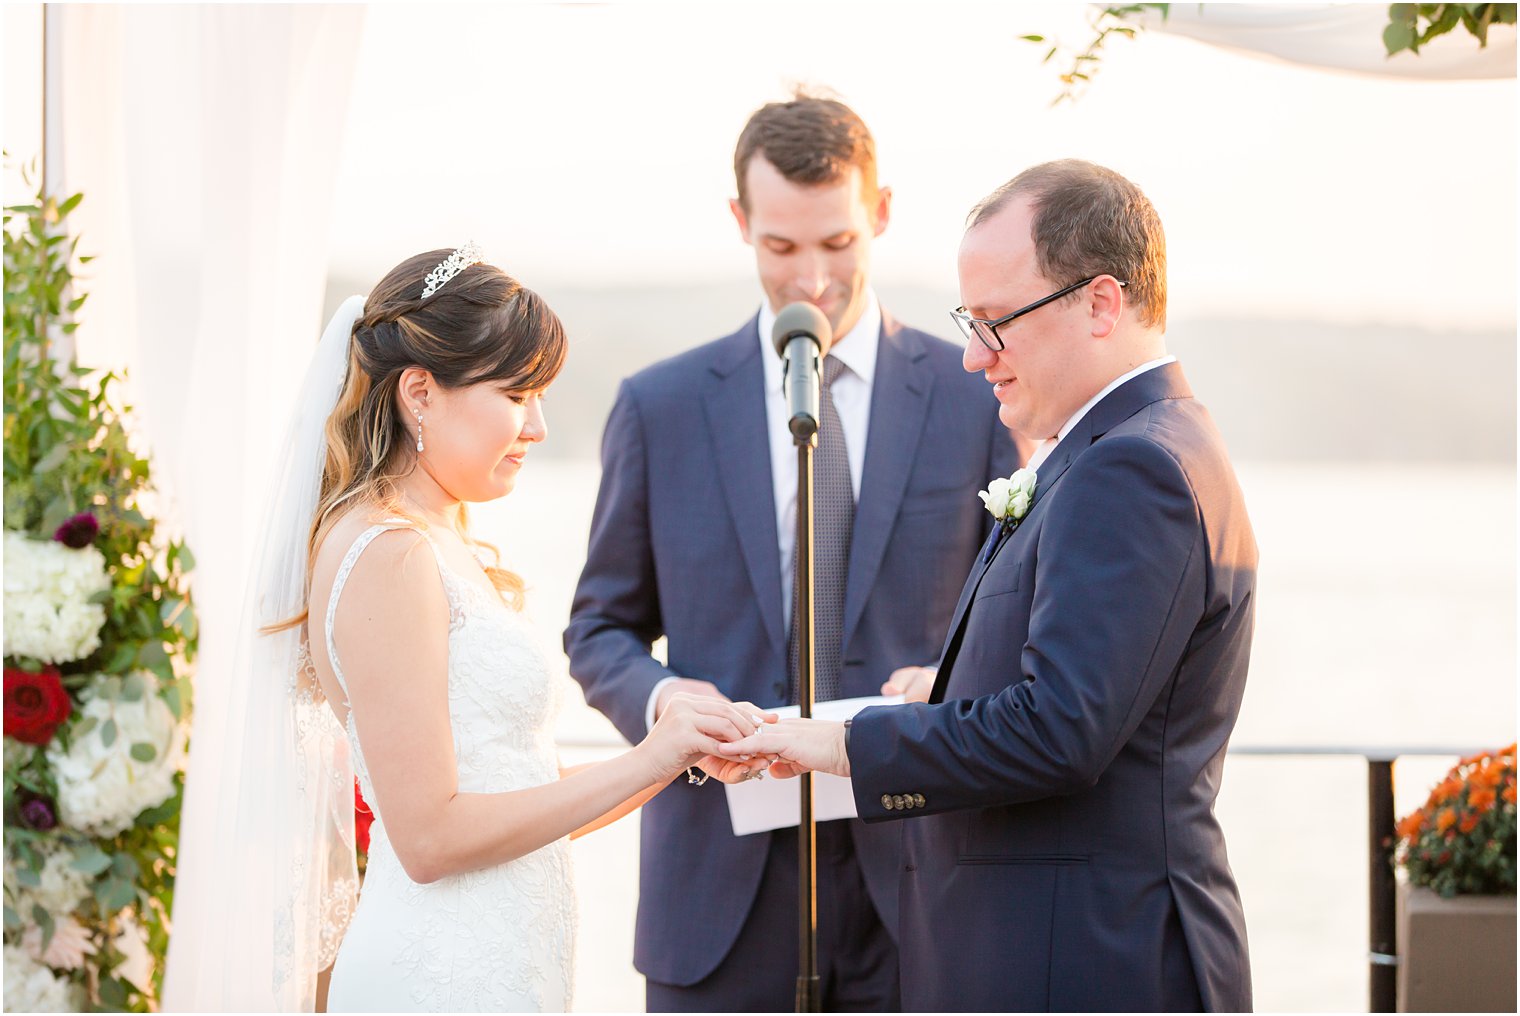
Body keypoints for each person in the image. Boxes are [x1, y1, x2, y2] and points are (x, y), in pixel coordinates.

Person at [164, 246, 771, 1013]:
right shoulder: (388, 550)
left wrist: (671, 755)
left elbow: (513, 793)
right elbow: (428, 837)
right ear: (420, 392)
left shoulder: (430, 536)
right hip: (442, 972)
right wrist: (654, 752)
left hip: (500, 959)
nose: (539, 427)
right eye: (518, 394)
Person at [720, 160, 1258, 1011]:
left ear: (1101, 304)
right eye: (969, 322)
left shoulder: (1132, 468)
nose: (974, 356)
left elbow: (1061, 730)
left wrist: (841, 745)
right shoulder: (1126, 446)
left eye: (998, 322)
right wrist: (950, 688)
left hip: (1082, 962)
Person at [564, 94, 1015, 1011]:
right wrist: (662, 696)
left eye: (838, 243)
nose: (811, 277)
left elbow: (1017, 609)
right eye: (781, 248)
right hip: (718, 885)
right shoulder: (662, 405)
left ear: (881, 212)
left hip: (923, 878)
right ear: (740, 224)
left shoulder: (980, 396)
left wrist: (951, 679)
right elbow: (599, 626)